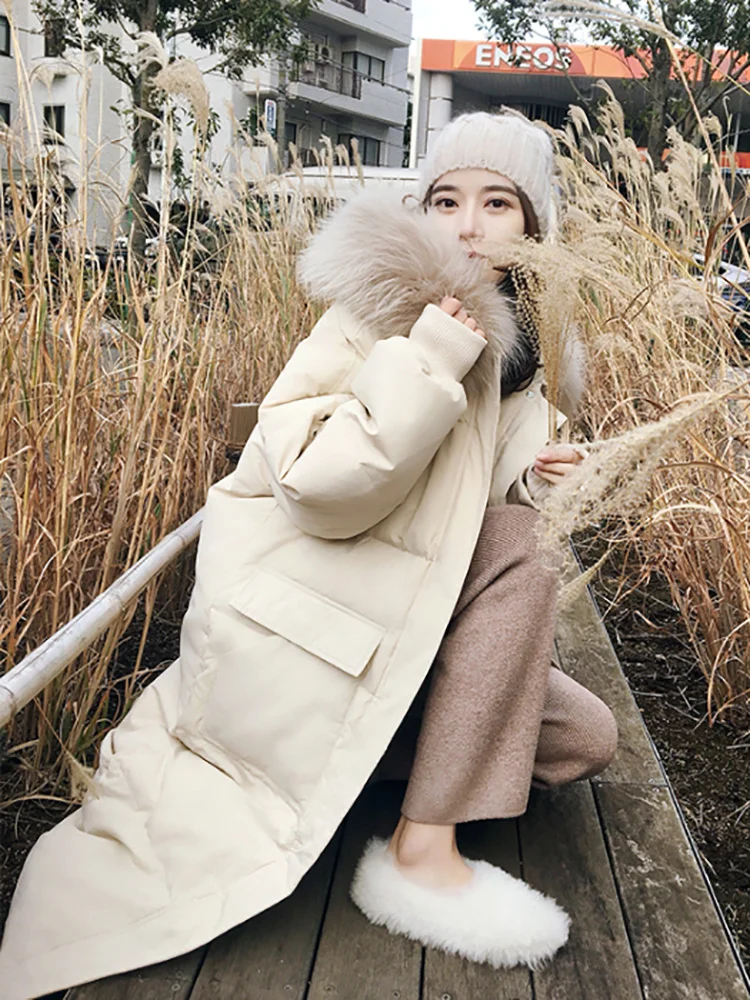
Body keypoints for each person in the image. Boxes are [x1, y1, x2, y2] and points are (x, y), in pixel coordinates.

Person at [0, 110, 617, 1000]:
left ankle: (367, 763)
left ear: (532, 227)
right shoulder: (372, 313)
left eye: (497, 203)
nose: (468, 225)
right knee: (526, 552)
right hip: (314, 598)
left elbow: (470, 513)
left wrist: (538, 479)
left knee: (585, 739)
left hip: (404, 606)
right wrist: (430, 358)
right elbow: (320, 489)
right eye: (447, 200)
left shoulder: (526, 354)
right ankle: (423, 848)